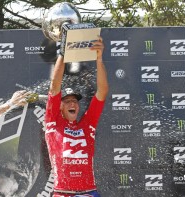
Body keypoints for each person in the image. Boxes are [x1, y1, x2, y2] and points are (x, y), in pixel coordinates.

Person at [45, 36, 109, 197]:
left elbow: (102, 92)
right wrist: (63, 53)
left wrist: (99, 59)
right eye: (67, 102)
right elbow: (54, 87)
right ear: (59, 107)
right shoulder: (53, 122)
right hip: (63, 193)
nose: (72, 104)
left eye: (74, 101)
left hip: (89, 192)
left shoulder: (87, 124)